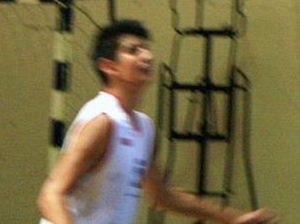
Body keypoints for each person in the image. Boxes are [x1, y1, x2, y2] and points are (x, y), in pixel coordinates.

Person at [37, 19, 278, 224]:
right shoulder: (103, 121)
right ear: (108, 66)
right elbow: (50, 194)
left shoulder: (144, 127)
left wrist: (232, 218)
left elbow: (162, 197)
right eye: (133, 51)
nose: (147, 56)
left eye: (146, 49)